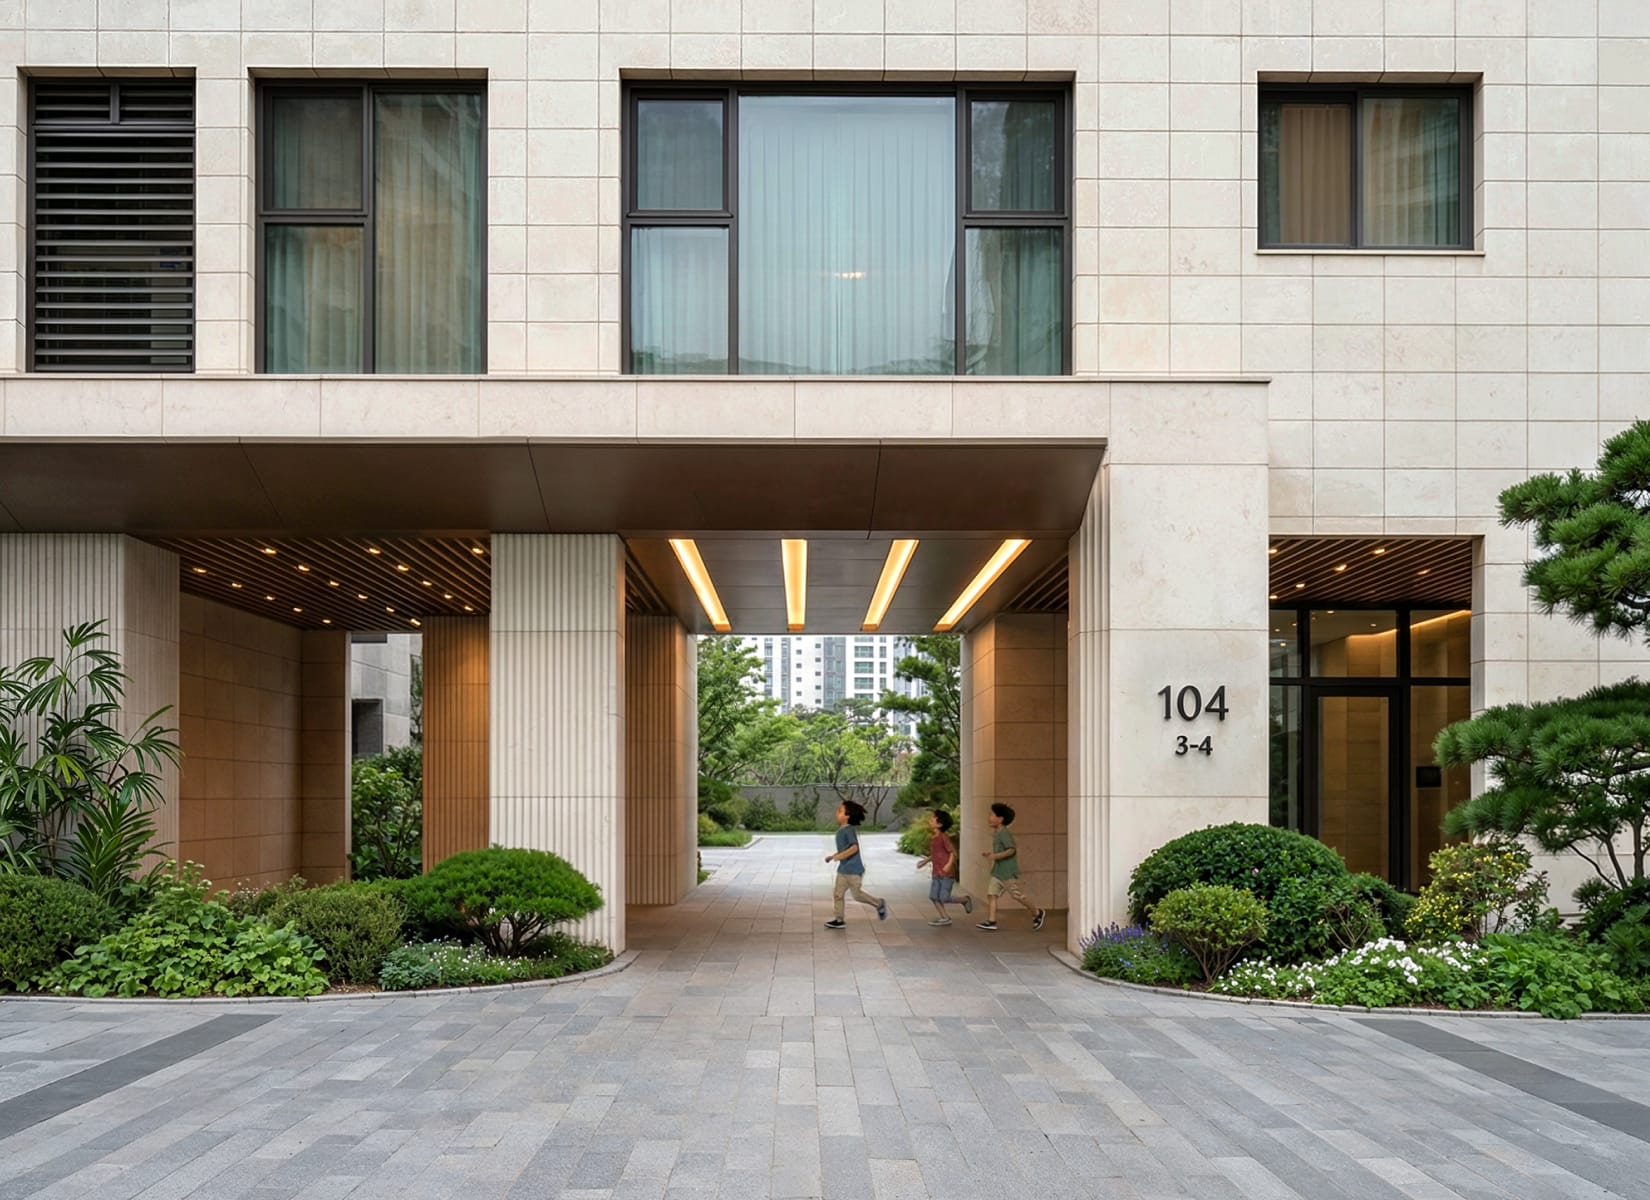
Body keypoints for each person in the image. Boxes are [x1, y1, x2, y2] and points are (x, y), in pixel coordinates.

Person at [976, 802, 1045, 932]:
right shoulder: (997, 833)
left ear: (1000, 819)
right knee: (991, 894)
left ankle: (1037, 912)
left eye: (992, 815)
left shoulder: (1004, 833)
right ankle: (991, 921)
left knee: (1018, 895)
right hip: (997, 872)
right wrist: (991, 855)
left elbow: (1011, 850)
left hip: (1007, 873)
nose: (989, 817)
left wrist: (995, 856)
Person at [822, 799, 887, 930]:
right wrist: (833, 856)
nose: (837, 813)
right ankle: (839, 920)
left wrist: (839, 857)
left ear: (847, 816)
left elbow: (854, 848)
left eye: (840, 811)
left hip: (853, 871)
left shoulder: (849, 830)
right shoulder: (841, 830)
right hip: (843, 870)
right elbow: (844, 849)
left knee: (857, 895)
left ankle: (879, 903)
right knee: (838, 894)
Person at [914, 809, 973, 926]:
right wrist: (924, 862)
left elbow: (953, 853)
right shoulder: (934, 839)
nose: (930, 820)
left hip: (946, 874)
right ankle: (945, 918)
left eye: (933, 818)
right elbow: (935, 854)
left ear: (940, 824)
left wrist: (948, 866)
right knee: (933, 896)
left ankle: (965, 900)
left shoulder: (943, 838)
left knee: (944, 897)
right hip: (936, 873)